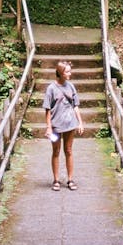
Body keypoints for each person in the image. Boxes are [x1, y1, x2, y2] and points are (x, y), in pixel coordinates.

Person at [42, 60, 84, 191]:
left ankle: (70, 179)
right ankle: (56, 180)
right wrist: (48, 127)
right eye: (67, 71)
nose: (70, 73)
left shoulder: (71, 87)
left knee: (69, 150)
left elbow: (75, 106)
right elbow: (47, 109)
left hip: (70, 123)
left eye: (70, 71)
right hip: (56, 125)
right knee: (56, 151)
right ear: (60, 73)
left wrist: (80, 122)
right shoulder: (51, 88)